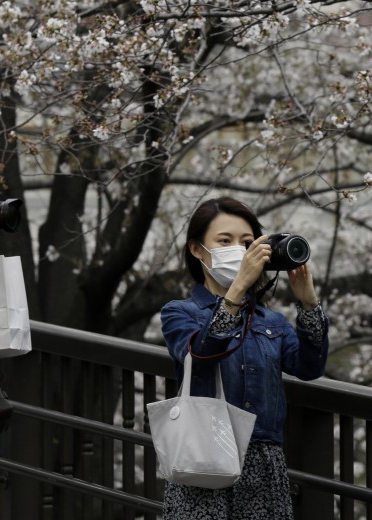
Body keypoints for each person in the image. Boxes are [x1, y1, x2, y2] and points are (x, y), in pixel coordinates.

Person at [159, 196, 330, 519]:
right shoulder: (180, 313)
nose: (238, 250)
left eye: (247, 242)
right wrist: (237, 290)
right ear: (197, 249)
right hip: (204, 458)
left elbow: (309, 368)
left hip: (264, 461)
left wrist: (309, 304)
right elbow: (201, 353)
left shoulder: (271, 321)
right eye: (224, 241)